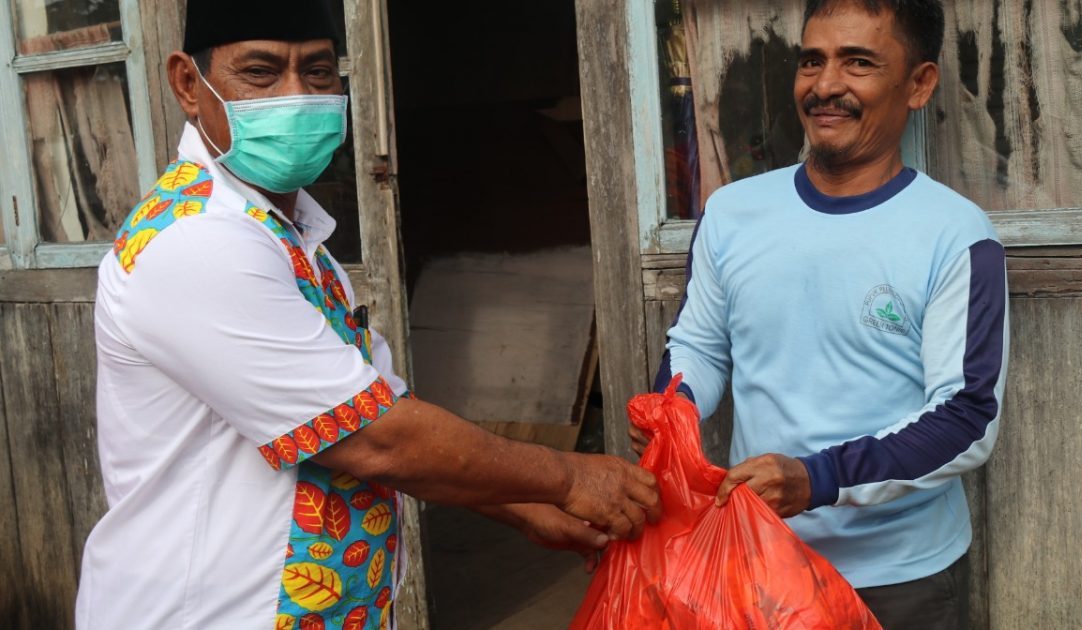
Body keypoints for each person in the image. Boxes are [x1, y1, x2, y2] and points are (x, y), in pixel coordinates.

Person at [75, 1, 659, 628]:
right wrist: (566, 476)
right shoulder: (197, 242)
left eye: (319, 72)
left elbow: (378, 406)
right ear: (190, 84)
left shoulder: (288, 238)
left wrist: (520, 505)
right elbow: (375, 440)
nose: (297, 97)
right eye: (262, 73)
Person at [633, 1, 1008, 628]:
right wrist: (676, 407)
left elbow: (967, 416)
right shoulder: (734, 212)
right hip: (755, 563)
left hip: (897, 580)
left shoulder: (954, 234)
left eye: (858, 63)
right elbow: (698, 345)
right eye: (812, 61)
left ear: (919, 84)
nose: (826, 85)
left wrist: (816, 478)